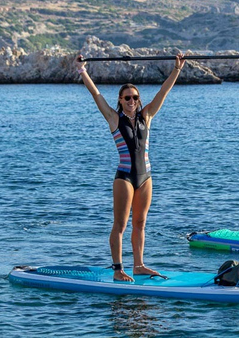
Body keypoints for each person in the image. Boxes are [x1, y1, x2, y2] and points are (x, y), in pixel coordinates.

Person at [75, 52, 186, 281]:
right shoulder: (114, 118)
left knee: (140, 222)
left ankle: (139, 265)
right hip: (124, 177)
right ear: (120, 100)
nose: (132, 101)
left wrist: (176, 69)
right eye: (127, 98)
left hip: (146, 177)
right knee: (121, 224)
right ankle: (118, 269)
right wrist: (82, 70)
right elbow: (96, 94)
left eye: (135, 97)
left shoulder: (147, 116)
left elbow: (163, 92)